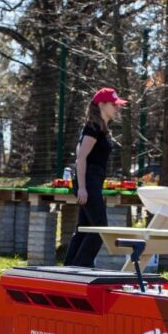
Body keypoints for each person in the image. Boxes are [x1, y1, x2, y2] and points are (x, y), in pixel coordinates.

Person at [64, 87, 126, 267]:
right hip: (88, 180)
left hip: (93, 181)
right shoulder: (93, 127)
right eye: (114, 105)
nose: (117, 108)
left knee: (84, 229)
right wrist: (82, 187)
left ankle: (69, 269)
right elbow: (81, 157)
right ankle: (79, 268)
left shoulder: (102, 128)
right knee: (99, 229)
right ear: (102, 104)